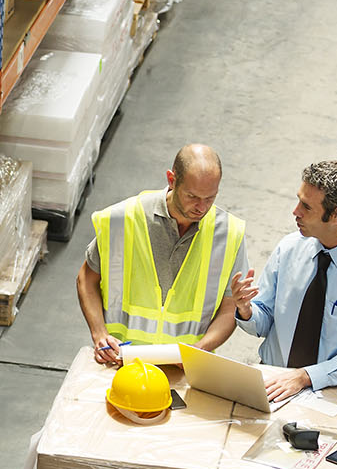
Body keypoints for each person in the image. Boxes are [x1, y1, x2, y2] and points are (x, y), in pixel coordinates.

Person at [229, 160, 337, 401]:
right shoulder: (288, 249)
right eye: (299, 200)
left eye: (306, 206)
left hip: (326, 395)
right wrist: (246, 310)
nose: (295, 211)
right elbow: (264, 321)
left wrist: (304, 377)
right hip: (272, 383)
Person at [76, 143, 248, 365]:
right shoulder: (123, 220)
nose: (201, 208)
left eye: (210, 198)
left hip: (185, 371)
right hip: (122, 363)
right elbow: (86, 279)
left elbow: (230, 305)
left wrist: (199, 350)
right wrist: (99, 334)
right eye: (192, 196)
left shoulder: (228, 233)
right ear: (171, 179)